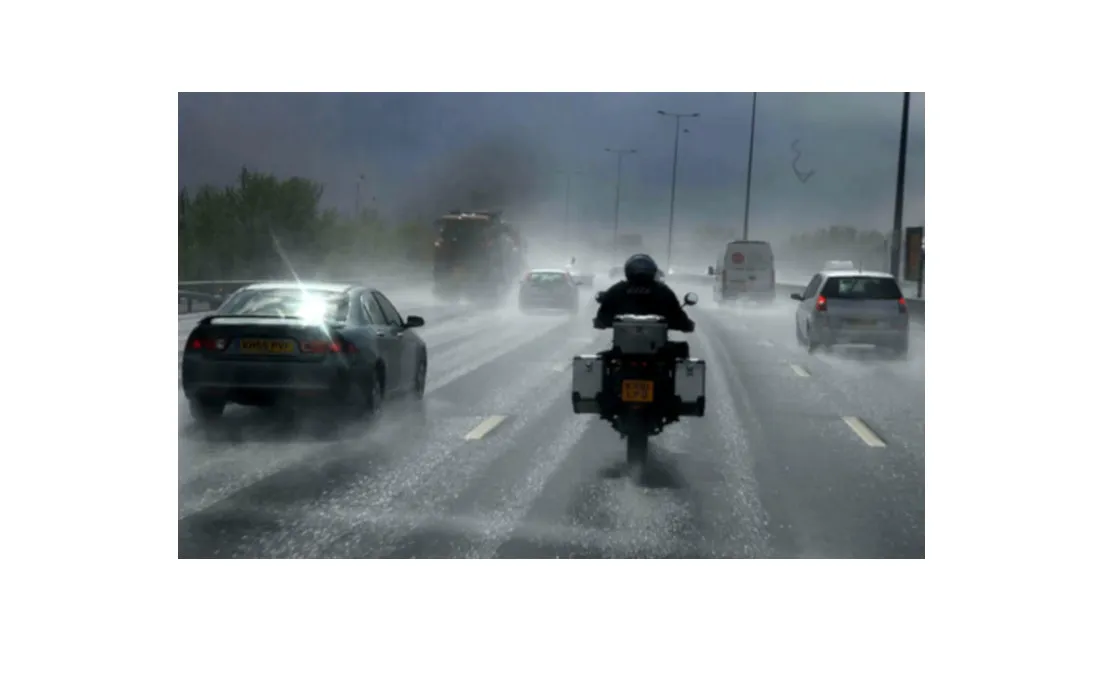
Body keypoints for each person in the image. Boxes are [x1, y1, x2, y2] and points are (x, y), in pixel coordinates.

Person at [594, 253, 695, 332]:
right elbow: (677, 314)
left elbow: (602, 317)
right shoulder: (663, 291)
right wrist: (685, 324)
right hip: (658, 349)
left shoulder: (618, 290)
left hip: (624, 349)